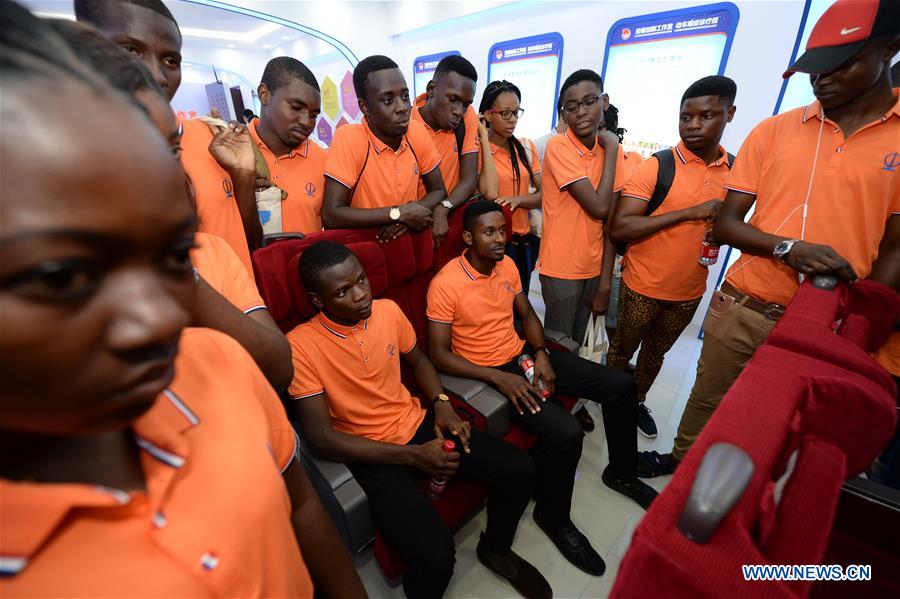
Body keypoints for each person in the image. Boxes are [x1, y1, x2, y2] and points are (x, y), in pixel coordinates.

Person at [0, 5, 364, 596]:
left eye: (171, 257)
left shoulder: (217, 364)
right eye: (63, 277)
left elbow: (299, 508)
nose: (160, 320)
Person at [640, 0, 900, 477]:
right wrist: (787, 248)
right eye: (813, 69)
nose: (820, 80)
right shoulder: (776, 130)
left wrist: (860, 331)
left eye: (839, 65)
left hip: (828, 323)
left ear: (889, 49)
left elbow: (895, 251)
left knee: (782, 426)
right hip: (745, 304)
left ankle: (748, 491)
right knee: (707, 398)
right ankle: (682, 464)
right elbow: (727, 224)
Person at [286, 241, 551, 599]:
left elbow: (421, 362)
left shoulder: (387, 311)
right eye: (343, 292)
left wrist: (441, 404)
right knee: (436, 557)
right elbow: (322, 438)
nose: (361, 294)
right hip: (369, 452)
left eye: (361, 280)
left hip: (415, 420)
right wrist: (414, 457)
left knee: (520, 469)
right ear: (318, 300)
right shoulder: (299, 346)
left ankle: (496, 549)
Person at [49, 19, 293, 391]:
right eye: (130, 50)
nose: (169, 173)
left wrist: (175, 266)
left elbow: (277, 365)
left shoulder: (211, 245)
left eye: (173, 151)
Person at [427, 201, 657, 575]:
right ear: (468, 237)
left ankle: (622, 472)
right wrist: (499, 377)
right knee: (566, 432)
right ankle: (553, 516)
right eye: (489, 232)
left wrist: (541, 352)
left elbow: (528, 315)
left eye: (502, 230)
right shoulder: (446, 283)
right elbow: (438, 354)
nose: (500, 238)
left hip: (523, 354)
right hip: (489, 372)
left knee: (620, 384)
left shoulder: (507, 265)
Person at [76, 0, 262, 276]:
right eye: (130, 50)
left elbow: (248, 245)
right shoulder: (71, 160)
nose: (157, 75)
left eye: (170, 60)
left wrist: (243, 177)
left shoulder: (211, 136)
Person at [607, 76, 737, 440]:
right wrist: (688, 213)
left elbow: (737, 223)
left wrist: (721, 230)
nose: (693, 125)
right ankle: (611, 400)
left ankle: (636, 400)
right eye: (686, 117)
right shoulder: (658, 165)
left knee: (655, 354)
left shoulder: (736, 170)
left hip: (689, 290)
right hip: (642, 285)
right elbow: (621, 227)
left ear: (729, 114)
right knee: (621, 350)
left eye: (706, 116)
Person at [322, 55, 448, 244]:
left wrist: (408, 217)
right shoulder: (349, 138)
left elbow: (438, 190)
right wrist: (398, 213)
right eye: (388, 100)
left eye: (405, 97)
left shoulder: (417, 132)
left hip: (409, 243)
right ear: (365, 107)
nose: (402, 107)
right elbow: (331, 215)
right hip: (366, 249)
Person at [538, 69, 625, 344]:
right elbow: (599, 208)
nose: (582, 112)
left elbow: (611, 221)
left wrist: (605, 280)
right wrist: (612, 150)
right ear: (564, 114)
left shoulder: (610, 151)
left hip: (594, 267)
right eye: (572, 107)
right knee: (561, 346)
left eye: (589, 102)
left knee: (581, 343)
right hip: (561, 268)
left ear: (604, 101)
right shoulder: (558, 147)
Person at [477, 80, 543, 297]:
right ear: (487, 115)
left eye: (516, 112)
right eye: (505, 113)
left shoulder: (525, 147)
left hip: (524, 243)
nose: (513, 119)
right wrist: (483, 139)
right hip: (493, 245)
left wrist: (518, 200)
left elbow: (544, 195)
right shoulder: (477, 151)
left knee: (520, 304)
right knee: (495, 305)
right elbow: (490, 193)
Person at [249, 56, 328, 234]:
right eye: (296, 107)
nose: (306, 122)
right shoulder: (232, 151)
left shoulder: (324, 161)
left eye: (313, 115)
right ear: (264, 94)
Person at [412, 55, 480, 245]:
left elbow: (469, 179)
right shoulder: (405, 124)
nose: (459, 110)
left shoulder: (467, 117)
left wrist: (444, 207)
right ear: (431, 89)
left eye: (465, 104)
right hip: (413, 226)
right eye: (453, 99)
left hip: (449, 217)